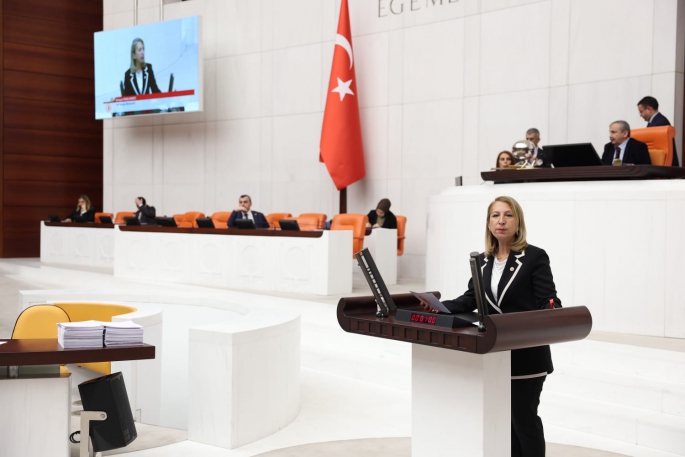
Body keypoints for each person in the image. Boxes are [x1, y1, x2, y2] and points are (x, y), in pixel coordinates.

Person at [420, 196, 560, 457]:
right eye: (495, 215)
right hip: (496, 353)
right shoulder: (483, 262)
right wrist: (438, 306)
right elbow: (470, 299)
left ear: (518, 222)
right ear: (488, 224)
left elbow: (547, 300)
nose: (501, 221)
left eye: (508, 215)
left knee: (523, 419)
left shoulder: (534, 257)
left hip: (527, 353)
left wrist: (552, 312)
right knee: (506, 423)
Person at [637, 96, 679, 166]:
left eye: (641, 112)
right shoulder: (655, 121)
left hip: (665, 166)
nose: (641, 115)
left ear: (649, 109)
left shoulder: (659, 123)